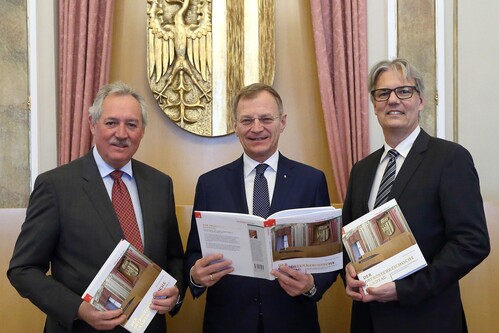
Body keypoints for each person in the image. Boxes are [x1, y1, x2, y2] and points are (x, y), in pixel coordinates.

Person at [8, 81, 185, 333]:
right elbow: (23, 270)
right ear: (93, 125)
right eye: (111, 123)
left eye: (131, 124)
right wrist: (79, 309)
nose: (121, 134)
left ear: (142, 130)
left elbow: (174, 257)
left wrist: (174, 293)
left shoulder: (160, 184)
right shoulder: (56, 186)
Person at [342, 58, 490, 333]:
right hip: (368, 319)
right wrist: (348, 272)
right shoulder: (361, 170)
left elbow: (473, 243)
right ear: (374, 105)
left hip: (428, 318)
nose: (393, 100)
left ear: (420, 101)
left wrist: (404, 289)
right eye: (383, 93)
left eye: (404, 91)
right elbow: (349, 241)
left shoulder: (449, 158)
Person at [184, 83, 337, 333]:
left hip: (293, 321)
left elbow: (328, 255)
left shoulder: (311, 181)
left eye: (266, 118)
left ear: (282, 122)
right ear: (235, 126)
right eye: (247, 120)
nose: (257, 128)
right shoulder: (210, 184)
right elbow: (193, 252)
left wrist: (311, 285)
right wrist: (195, 275)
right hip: (228, 323)